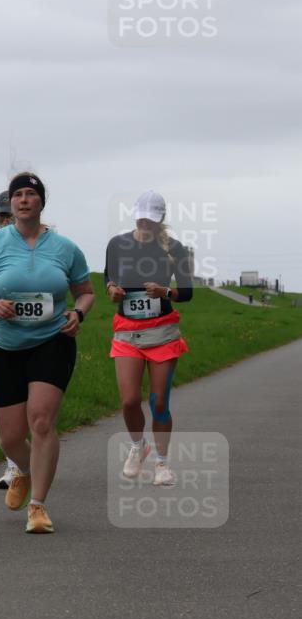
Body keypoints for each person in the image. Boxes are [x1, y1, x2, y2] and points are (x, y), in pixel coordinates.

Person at [0, 173, 94, 534]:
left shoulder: (65, 247)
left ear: (40, 202)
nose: (23, 200)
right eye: (17, 194)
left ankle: (37, 506)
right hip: (4, 345)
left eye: (30, 194)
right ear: (12, 203)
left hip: (52, 340)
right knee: (8, 436)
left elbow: (85, 291)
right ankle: (26, 469)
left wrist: (78, 313)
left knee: (41, 421)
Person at [105, 190, 193, 486]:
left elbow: (187, 292)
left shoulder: (176, 249)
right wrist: (112, 290)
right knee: (129, 400)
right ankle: (137, 445)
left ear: (161, 219)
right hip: (127, 331)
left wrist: (164, 292)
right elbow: (108, 277)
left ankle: (162, 463)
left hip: (162, 333)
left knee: (158, 403)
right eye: (141, 218)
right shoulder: (117, 244)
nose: (145, 224)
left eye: (151, 220)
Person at [0, 190, 24, 491]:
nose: (5, 222)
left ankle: (38, 456)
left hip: (41, 337)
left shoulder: (43, 244)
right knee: (7, 403)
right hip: (2, 335)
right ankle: (14, 466)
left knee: (36, 408)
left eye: (9, 216)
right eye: (2, 216)